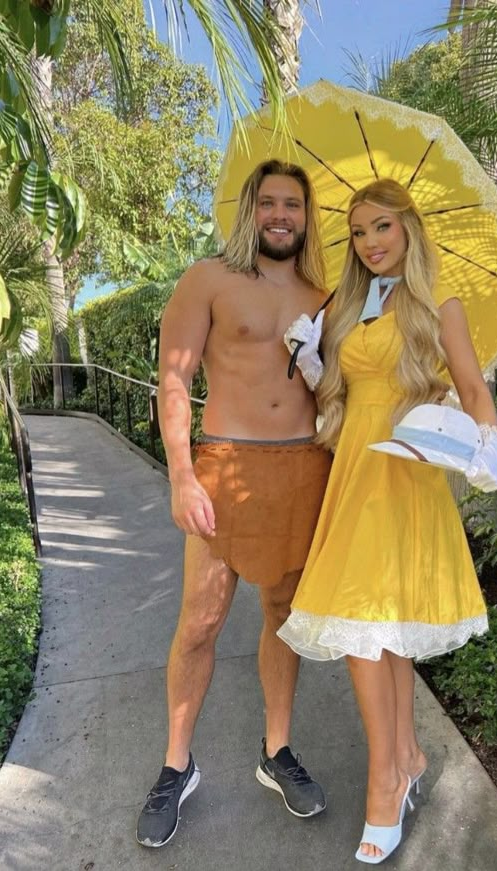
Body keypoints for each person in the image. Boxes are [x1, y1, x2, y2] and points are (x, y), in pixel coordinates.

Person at [278, 178, 497, 864]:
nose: (369, 243)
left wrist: (485, 446)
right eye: (358, 232)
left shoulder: (440, 304)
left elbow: (472, 389)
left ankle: (387, 778)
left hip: (405, 471)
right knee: (373, 626)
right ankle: (405, 755)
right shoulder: (344, 307)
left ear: (408, 229)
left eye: (381, 227)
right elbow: (334, 399)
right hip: (355, 469)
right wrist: (313, 357)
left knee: (377, 627)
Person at [136, 160, 332, 849]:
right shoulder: (209, 279)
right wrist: (182, 474)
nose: (282, 215)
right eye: (271, 202)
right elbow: (173, 374)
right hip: (224, 464)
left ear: (307, 217)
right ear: (252, 209)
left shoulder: (327, 291)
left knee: (281, 616)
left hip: (302, 470)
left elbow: (345, 386)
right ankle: (176, 764)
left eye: (294, 206)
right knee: (200, 621)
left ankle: (277, 750)